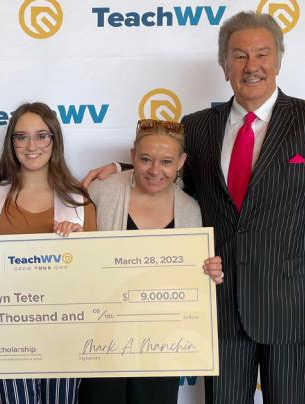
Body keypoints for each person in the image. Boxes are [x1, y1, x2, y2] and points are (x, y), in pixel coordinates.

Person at [82, 11, 305, 404]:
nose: (251, 66)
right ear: (224, 65)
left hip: (295, 310)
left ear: (279, 61)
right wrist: (122, 167)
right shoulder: (197, 127)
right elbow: (170, 176)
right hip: (219, 307)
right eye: (239, 56)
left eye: (262, 54)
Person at [79, 119, 223, 404]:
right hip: (102, 340)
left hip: (161, 344)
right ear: (132, 156)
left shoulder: (190, 209)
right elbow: (78, 257)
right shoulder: (103, 191)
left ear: (181, 162)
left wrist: (208, 273)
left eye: (167, 161)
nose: (155, 170)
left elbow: (190, 281)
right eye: (145, 159)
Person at [0, 102, 96, 404]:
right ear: (11, 143)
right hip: (8, 332)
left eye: (42, 136)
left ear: (54, 141)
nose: (32, 146)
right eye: (21, 137)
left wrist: (83, 249)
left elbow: (95, 277)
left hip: (64, 332)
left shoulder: (79, 203)